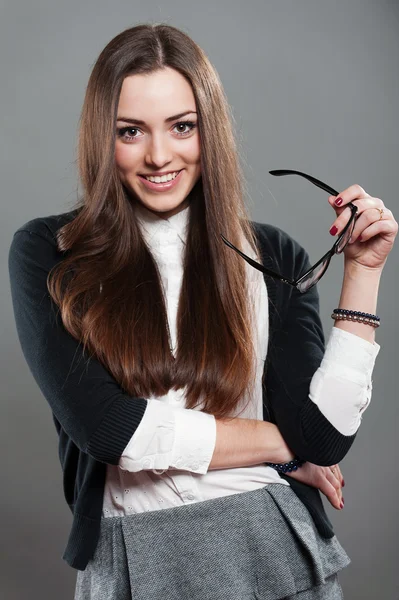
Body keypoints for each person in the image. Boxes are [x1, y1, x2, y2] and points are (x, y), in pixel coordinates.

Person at [7, 23, 397, 600]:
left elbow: (327, 436)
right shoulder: (52, 252)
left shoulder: (271, 254)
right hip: (139, 553)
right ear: (99, 136)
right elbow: (112, 430)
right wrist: (288, 446)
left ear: (208, 129)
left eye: (182, 126)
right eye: (130, 131)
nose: (159, 155)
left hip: (274, 542)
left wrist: (363, 274)